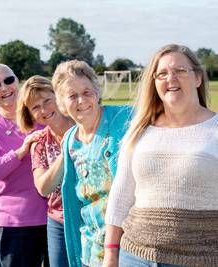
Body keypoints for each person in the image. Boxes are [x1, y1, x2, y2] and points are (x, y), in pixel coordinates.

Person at [104, 44, 218, 267]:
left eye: (180, 71)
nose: (170, 78)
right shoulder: (139, 130)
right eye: (162, 74)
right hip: (134, 256)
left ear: (197, 78)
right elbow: (121, 194)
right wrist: (110, 253)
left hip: (198, 259)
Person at [51, 60, 133, 267]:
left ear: (97, 93)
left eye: (87, 92)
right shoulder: (70, 139)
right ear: (61, 103)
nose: (81, 100)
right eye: (72, 96)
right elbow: (75, 201)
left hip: (128, 250)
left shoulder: (126, 119)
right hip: (90, 250)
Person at [0, 64, 48, 267]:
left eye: (8, 80)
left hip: (56, 217)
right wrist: (20, 152)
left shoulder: (44, 115)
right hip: (16, 221)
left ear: (18, 81)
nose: (4, 88)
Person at [16, 75, 74, 267]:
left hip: (92, 218)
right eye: (35, 107)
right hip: (58, 222)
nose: (43, 110)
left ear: (58, 96)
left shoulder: (84, 127)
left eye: (47, 101)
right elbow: (43, 188)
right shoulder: (39, 143)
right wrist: (66, 151)